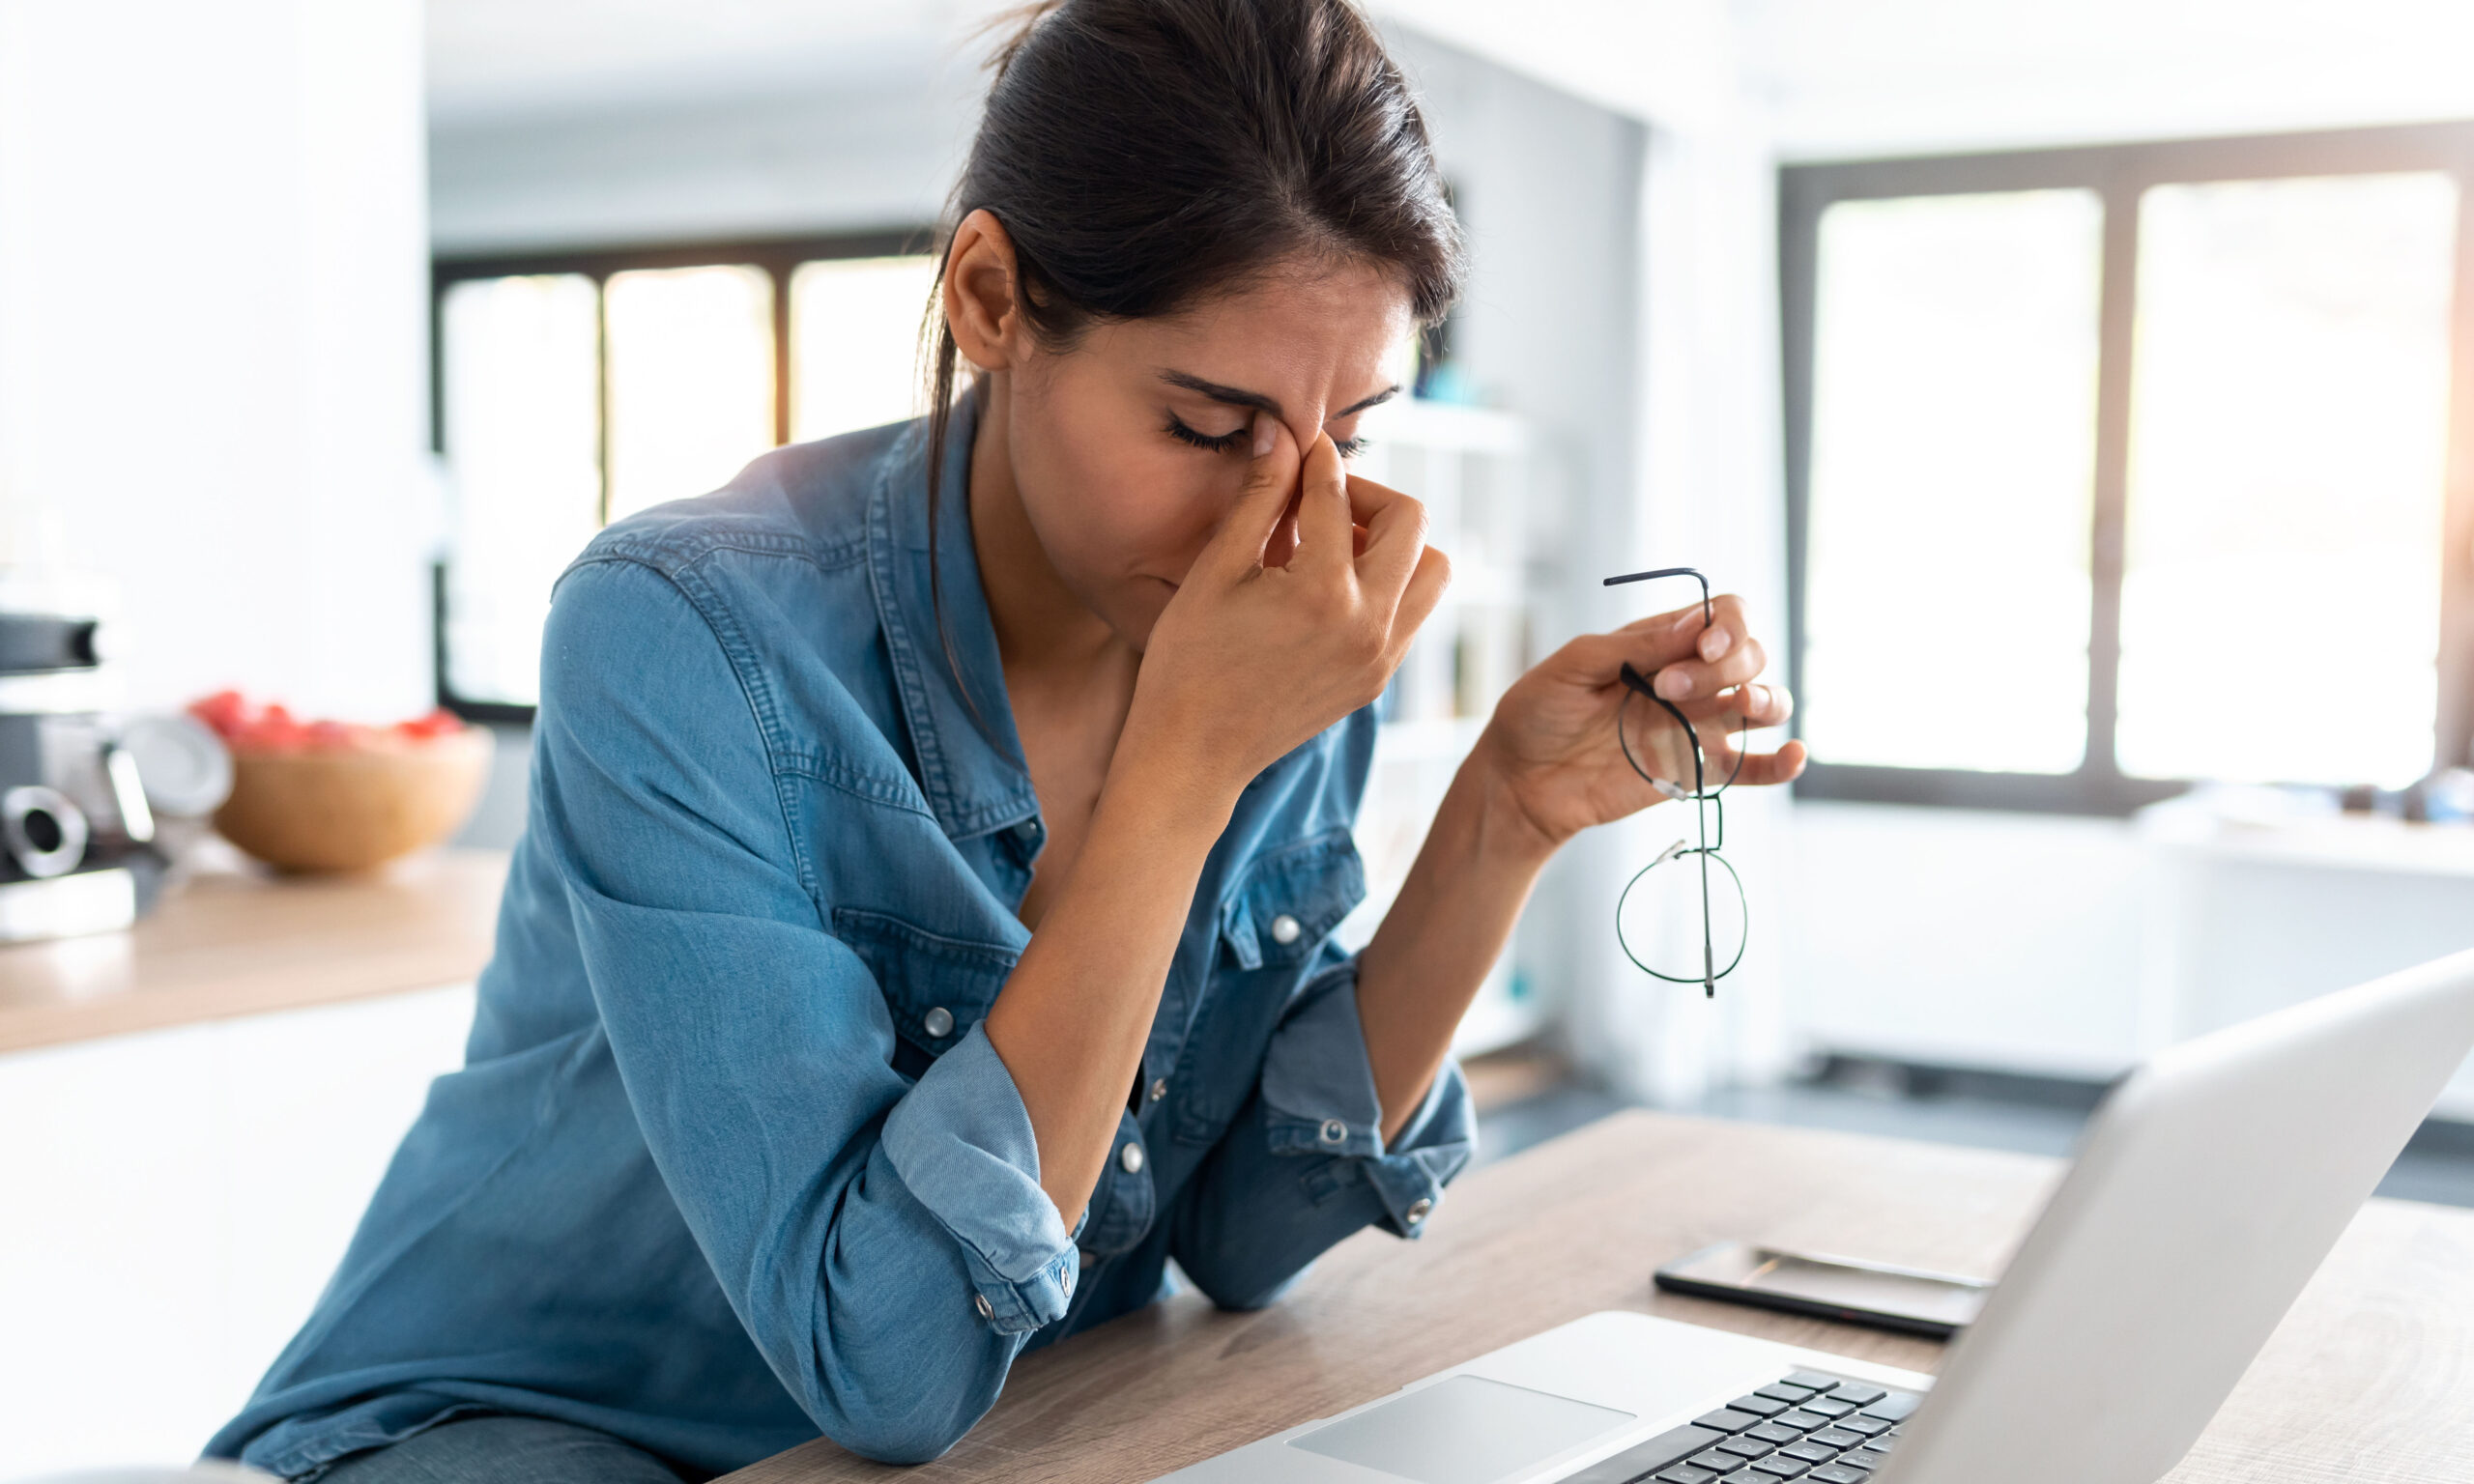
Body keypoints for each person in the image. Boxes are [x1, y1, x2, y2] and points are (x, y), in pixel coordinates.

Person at [206, 1, 1803, 1479]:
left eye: (1353, 432)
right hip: (522, 1429)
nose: (1293, 518)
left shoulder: (1273, 620)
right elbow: (883, 1359)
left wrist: (1501, 820)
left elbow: (1241, 1232)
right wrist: (1180, 776)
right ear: (989, 299)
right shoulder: (682, 629)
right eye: (1206, 425)